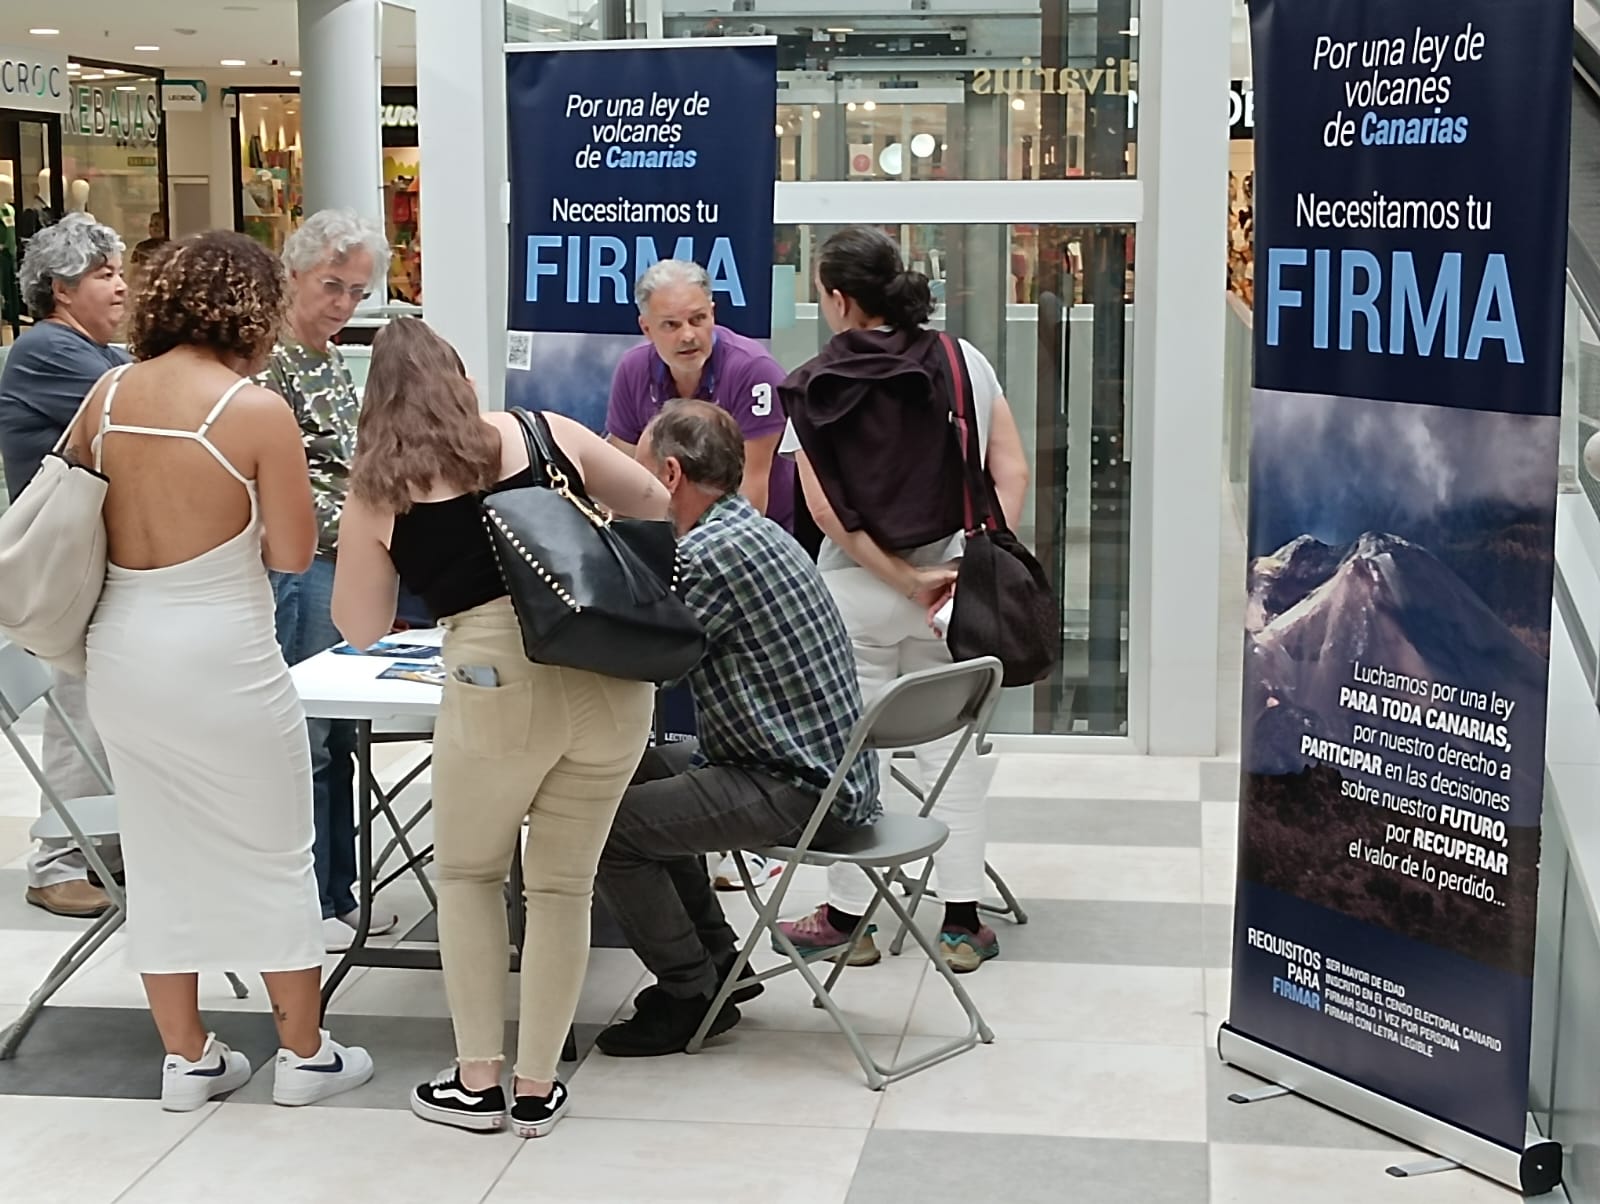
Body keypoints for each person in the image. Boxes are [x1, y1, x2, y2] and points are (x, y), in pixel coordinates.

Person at [332, 316, 668, 1137]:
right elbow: (656, 502)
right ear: (463, 381)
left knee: (471, 878)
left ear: (376, 410)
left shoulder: (382, 488)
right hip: (612, 677)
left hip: (494, 684)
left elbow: (361, 626)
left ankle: (478, 1079)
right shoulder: (547, 432)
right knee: (562, 887)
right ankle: (536, 1085)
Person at [62, 231, 373, 1111]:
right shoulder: (253, 409)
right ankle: (304, 1055)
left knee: (158, 853)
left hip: (123, 647)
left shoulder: (107, 393)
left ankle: (188, 1059)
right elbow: (292, 549)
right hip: (223, 650)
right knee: (275, 848)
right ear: (251, 307)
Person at [776, 225, 1031, 975]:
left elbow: (825, 515)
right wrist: (970, 564)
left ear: (840, 297)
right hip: (953, 595)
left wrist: (896, 578)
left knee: (856, 759)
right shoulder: (961, 361)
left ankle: (851, 920)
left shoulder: (811, 381)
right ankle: (960, 926)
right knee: (954, 757)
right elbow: (1008, 470)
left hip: (852, 597)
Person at [593, 400, 878, 1058]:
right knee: (638, 769)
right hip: (822, 768)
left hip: (793, 785)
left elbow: (642, 662)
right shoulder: (751, 528)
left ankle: (688, 993)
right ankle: (720, 966)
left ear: (668, 473)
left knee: (608, 832)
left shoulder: (709, 555)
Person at [607, 258, 797, 891]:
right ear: (646, 327)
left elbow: (756, 493)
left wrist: (689, 562)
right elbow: (625, 476)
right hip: (677, 542)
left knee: (718, 676)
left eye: (700, 318)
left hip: (738, 550)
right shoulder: (635, 371)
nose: (689, 334)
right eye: (672, 324)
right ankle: (691, 836)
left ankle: (747, 841)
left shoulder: (755, 372)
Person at [254, 208, 398, 951]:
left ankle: (339, 891)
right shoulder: (265, 360)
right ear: (295, 275)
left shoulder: (325, 357)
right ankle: (307, 899)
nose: (342, 304)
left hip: (345, 562)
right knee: (307, 739)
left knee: (340, 737)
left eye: (356, 291)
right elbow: (284, 481)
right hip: (305, 564)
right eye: (332, 286)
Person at [0, 214, 130, 919]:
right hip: (67, 575)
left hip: (96, 568)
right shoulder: (51, 351)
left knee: (103, 716)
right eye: (105, 275)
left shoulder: (97, 354)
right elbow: (134, 413)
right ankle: (55, 862)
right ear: (60, 289)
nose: (121, 287)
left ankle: (100, 851)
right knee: (79, 718)